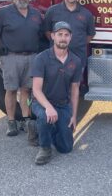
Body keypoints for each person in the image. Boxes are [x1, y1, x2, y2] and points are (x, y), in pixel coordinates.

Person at [0, 0, 43, 141]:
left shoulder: (35, 14)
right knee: (11, 90)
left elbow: (40, 34)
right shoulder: (3, 13)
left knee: (26, 90)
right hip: (10, 58)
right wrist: (2, 50)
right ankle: (11, 121)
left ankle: (26, 119)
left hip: (31, 57)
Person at [31, 21, 83, 165]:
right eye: (59, 34)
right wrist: (48, 107)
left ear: (70, 38)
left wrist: (73, 115)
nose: (63, 38)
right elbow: (36, 90)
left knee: (66, 148)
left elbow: (74, 90)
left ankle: (47, 128)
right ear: (53, 36)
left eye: (66, 35)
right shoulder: (41, 58)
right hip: (41, 102)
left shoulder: (76, 61)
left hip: (62, 104)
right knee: (44, 116)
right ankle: (44, 147)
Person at [43, 0, 96, 70]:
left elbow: (90, 34)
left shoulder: (86, 14)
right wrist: (59, 42)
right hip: (56, 58)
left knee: (75, 83)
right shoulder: (52, 11)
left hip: (78, 57)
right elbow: (47, 31)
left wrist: (77, 43)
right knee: (56, 83)